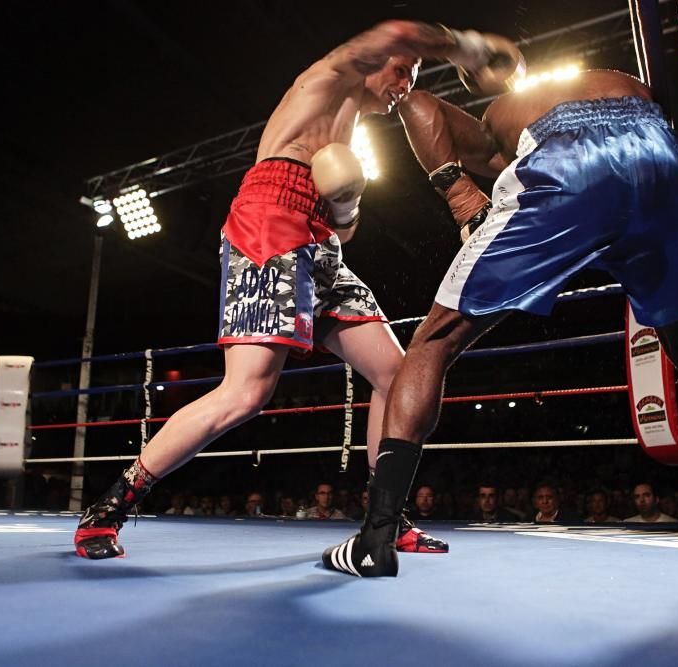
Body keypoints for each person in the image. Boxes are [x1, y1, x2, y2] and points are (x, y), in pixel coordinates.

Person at [323, 37, 678, 576]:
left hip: (567, 158)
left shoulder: (500, 114)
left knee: (434, 341)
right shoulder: (608, 76)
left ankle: (376, 538)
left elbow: (419, 104)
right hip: (660, 157)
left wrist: (458, 194)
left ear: (479, 82)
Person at [71, 21, 505, 559]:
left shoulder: (348, 136)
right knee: (248, 392)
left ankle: (384, 520)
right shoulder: (328, 77)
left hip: (320, 239)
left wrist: (346, 204)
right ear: (384, 57)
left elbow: (344, 232)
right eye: (404, 69)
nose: (405, 85)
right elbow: (397, 31)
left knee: (397, 376)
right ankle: (111, 506)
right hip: (270, 218)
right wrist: (469, 47)